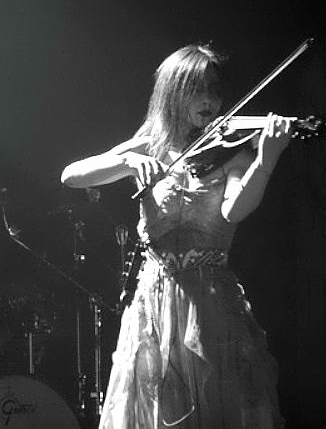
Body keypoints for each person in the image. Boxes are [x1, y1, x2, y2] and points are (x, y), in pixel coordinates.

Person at [60, 44, 289, 428]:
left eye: (215, 90)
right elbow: (71, 175)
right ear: (173, 92)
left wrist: (267, 160)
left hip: (209, 304)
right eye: (198, 89)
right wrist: (127, 159)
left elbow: (233, 211)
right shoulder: (151, 145)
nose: (210, 100)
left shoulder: (233, 152)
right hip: (153, 299)